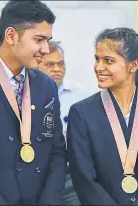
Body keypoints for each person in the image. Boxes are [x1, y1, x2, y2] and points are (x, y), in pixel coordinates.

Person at [0, 1, 67, 205]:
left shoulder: (46, 86)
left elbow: (57, 152)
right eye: (39, 40)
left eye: (47, 40)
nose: (45, 49)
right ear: (11, 36)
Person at [67, 27, 138, 205]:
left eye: (108, 60)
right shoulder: (81, 113)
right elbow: (84, 179)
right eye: (97, 59)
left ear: (133, 65)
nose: (99, 67)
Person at [39, 41, 91, 205]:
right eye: (50, 64)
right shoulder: (25, 97)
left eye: (61, 64)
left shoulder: (81, 97)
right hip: (38, 176)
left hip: (72, 178)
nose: (57, 69)